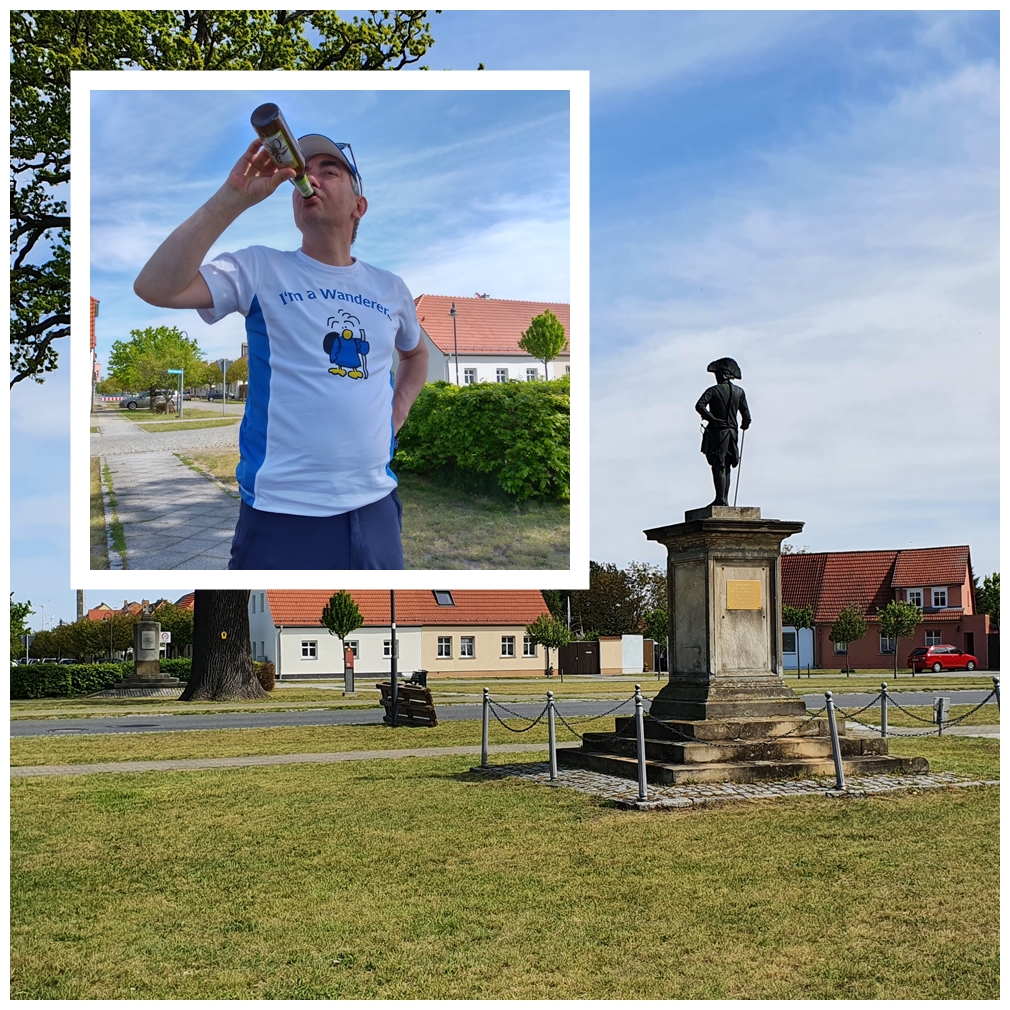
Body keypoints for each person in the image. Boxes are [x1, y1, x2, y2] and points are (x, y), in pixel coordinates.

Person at [134, 131, 429, 569]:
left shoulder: (391, 289)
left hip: (376, 509)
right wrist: (233, 197)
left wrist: (397, 411)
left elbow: (417, 354)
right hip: (281, 516)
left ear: (358, 206)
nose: (309, 179)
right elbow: (155, 286)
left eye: (328, 171)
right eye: (303, 174)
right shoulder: (260, 268)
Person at [695, 357, 750, 506]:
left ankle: (721, 498)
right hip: (732, 433)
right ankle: (723, 498)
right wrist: (744, 424)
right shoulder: (740, 392)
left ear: (723, 374)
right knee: (726, 465)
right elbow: (747, 417)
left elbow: (699, 406)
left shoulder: (713, 391)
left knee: (719, 464)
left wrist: (712, 419)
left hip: (718, 433)